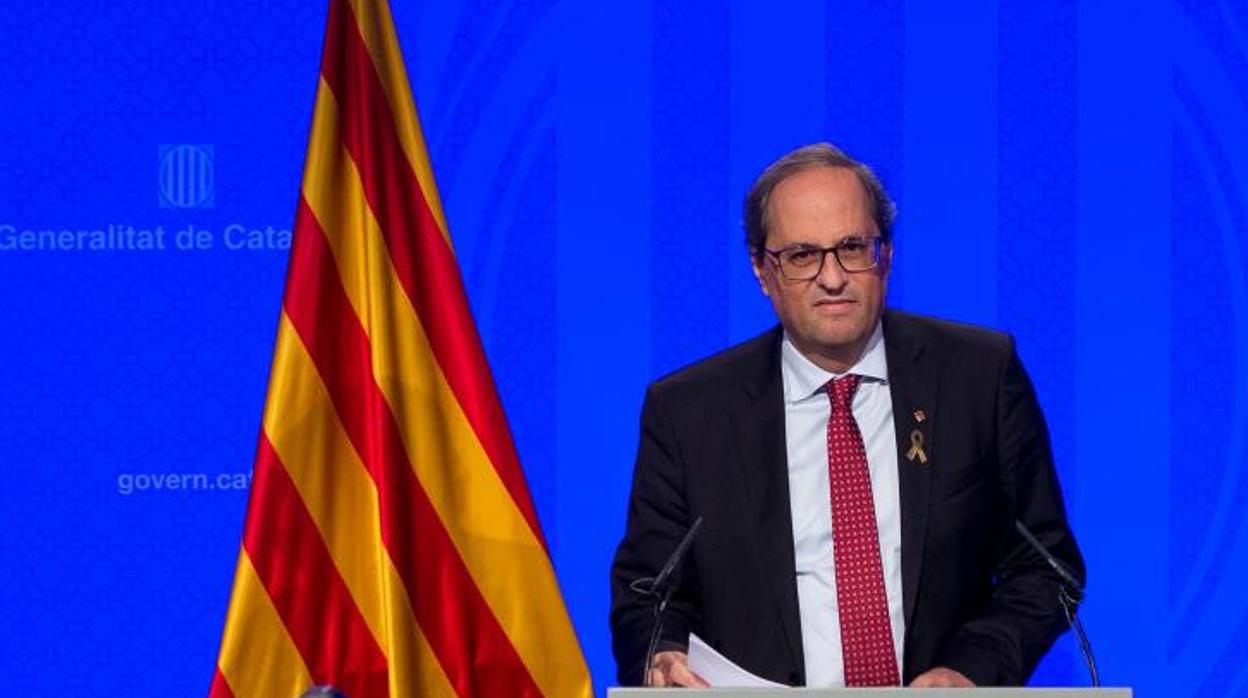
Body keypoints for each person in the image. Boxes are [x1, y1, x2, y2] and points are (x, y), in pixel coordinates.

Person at [609, 143, 1084, 688]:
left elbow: (1046, 570)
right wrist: (662, 653)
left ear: (886, 255)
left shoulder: (977, 377)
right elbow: (648, 591)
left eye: (852, 247)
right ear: (763, 271)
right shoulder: (690, 412)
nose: (832, 278)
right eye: (802, 255)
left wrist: (968, 671)